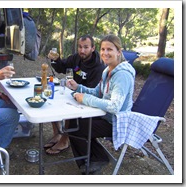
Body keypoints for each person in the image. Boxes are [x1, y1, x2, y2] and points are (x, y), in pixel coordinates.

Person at [66, 34, 135, 174]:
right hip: (106, 116)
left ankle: (96, 159)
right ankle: (93, 158)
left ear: (118, 52)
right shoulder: (108, 70)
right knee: (74, 121)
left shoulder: (122, 75)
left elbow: (115, 106)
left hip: (116, 122)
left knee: (76, 127)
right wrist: (78, 87)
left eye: (109, 49)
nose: (105, 53)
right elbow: (98, 92)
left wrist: (85, 98)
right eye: (103, 49)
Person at [45, 34, 106, 155]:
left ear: (93, 48)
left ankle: (64, 140)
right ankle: (57, 134)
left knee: (68, 109)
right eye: (80, 47)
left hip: (89, 100)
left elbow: (94, 91)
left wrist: (78, 91)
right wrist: (55, 59)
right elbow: (62, 68)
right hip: (74, 92)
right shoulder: (76, 58)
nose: (82, 50)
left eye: (86, 47)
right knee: (51, 99)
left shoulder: (98, 66)